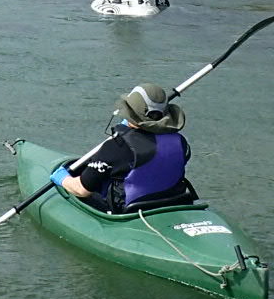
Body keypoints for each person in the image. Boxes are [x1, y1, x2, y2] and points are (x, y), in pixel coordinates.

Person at [59, 82, 199, 213]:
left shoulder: (116, 147)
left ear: (130, 114)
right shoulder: (181, 142)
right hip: (174, 202)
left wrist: (61, 178)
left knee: (82, 189)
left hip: (132, 210)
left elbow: (82, 190)